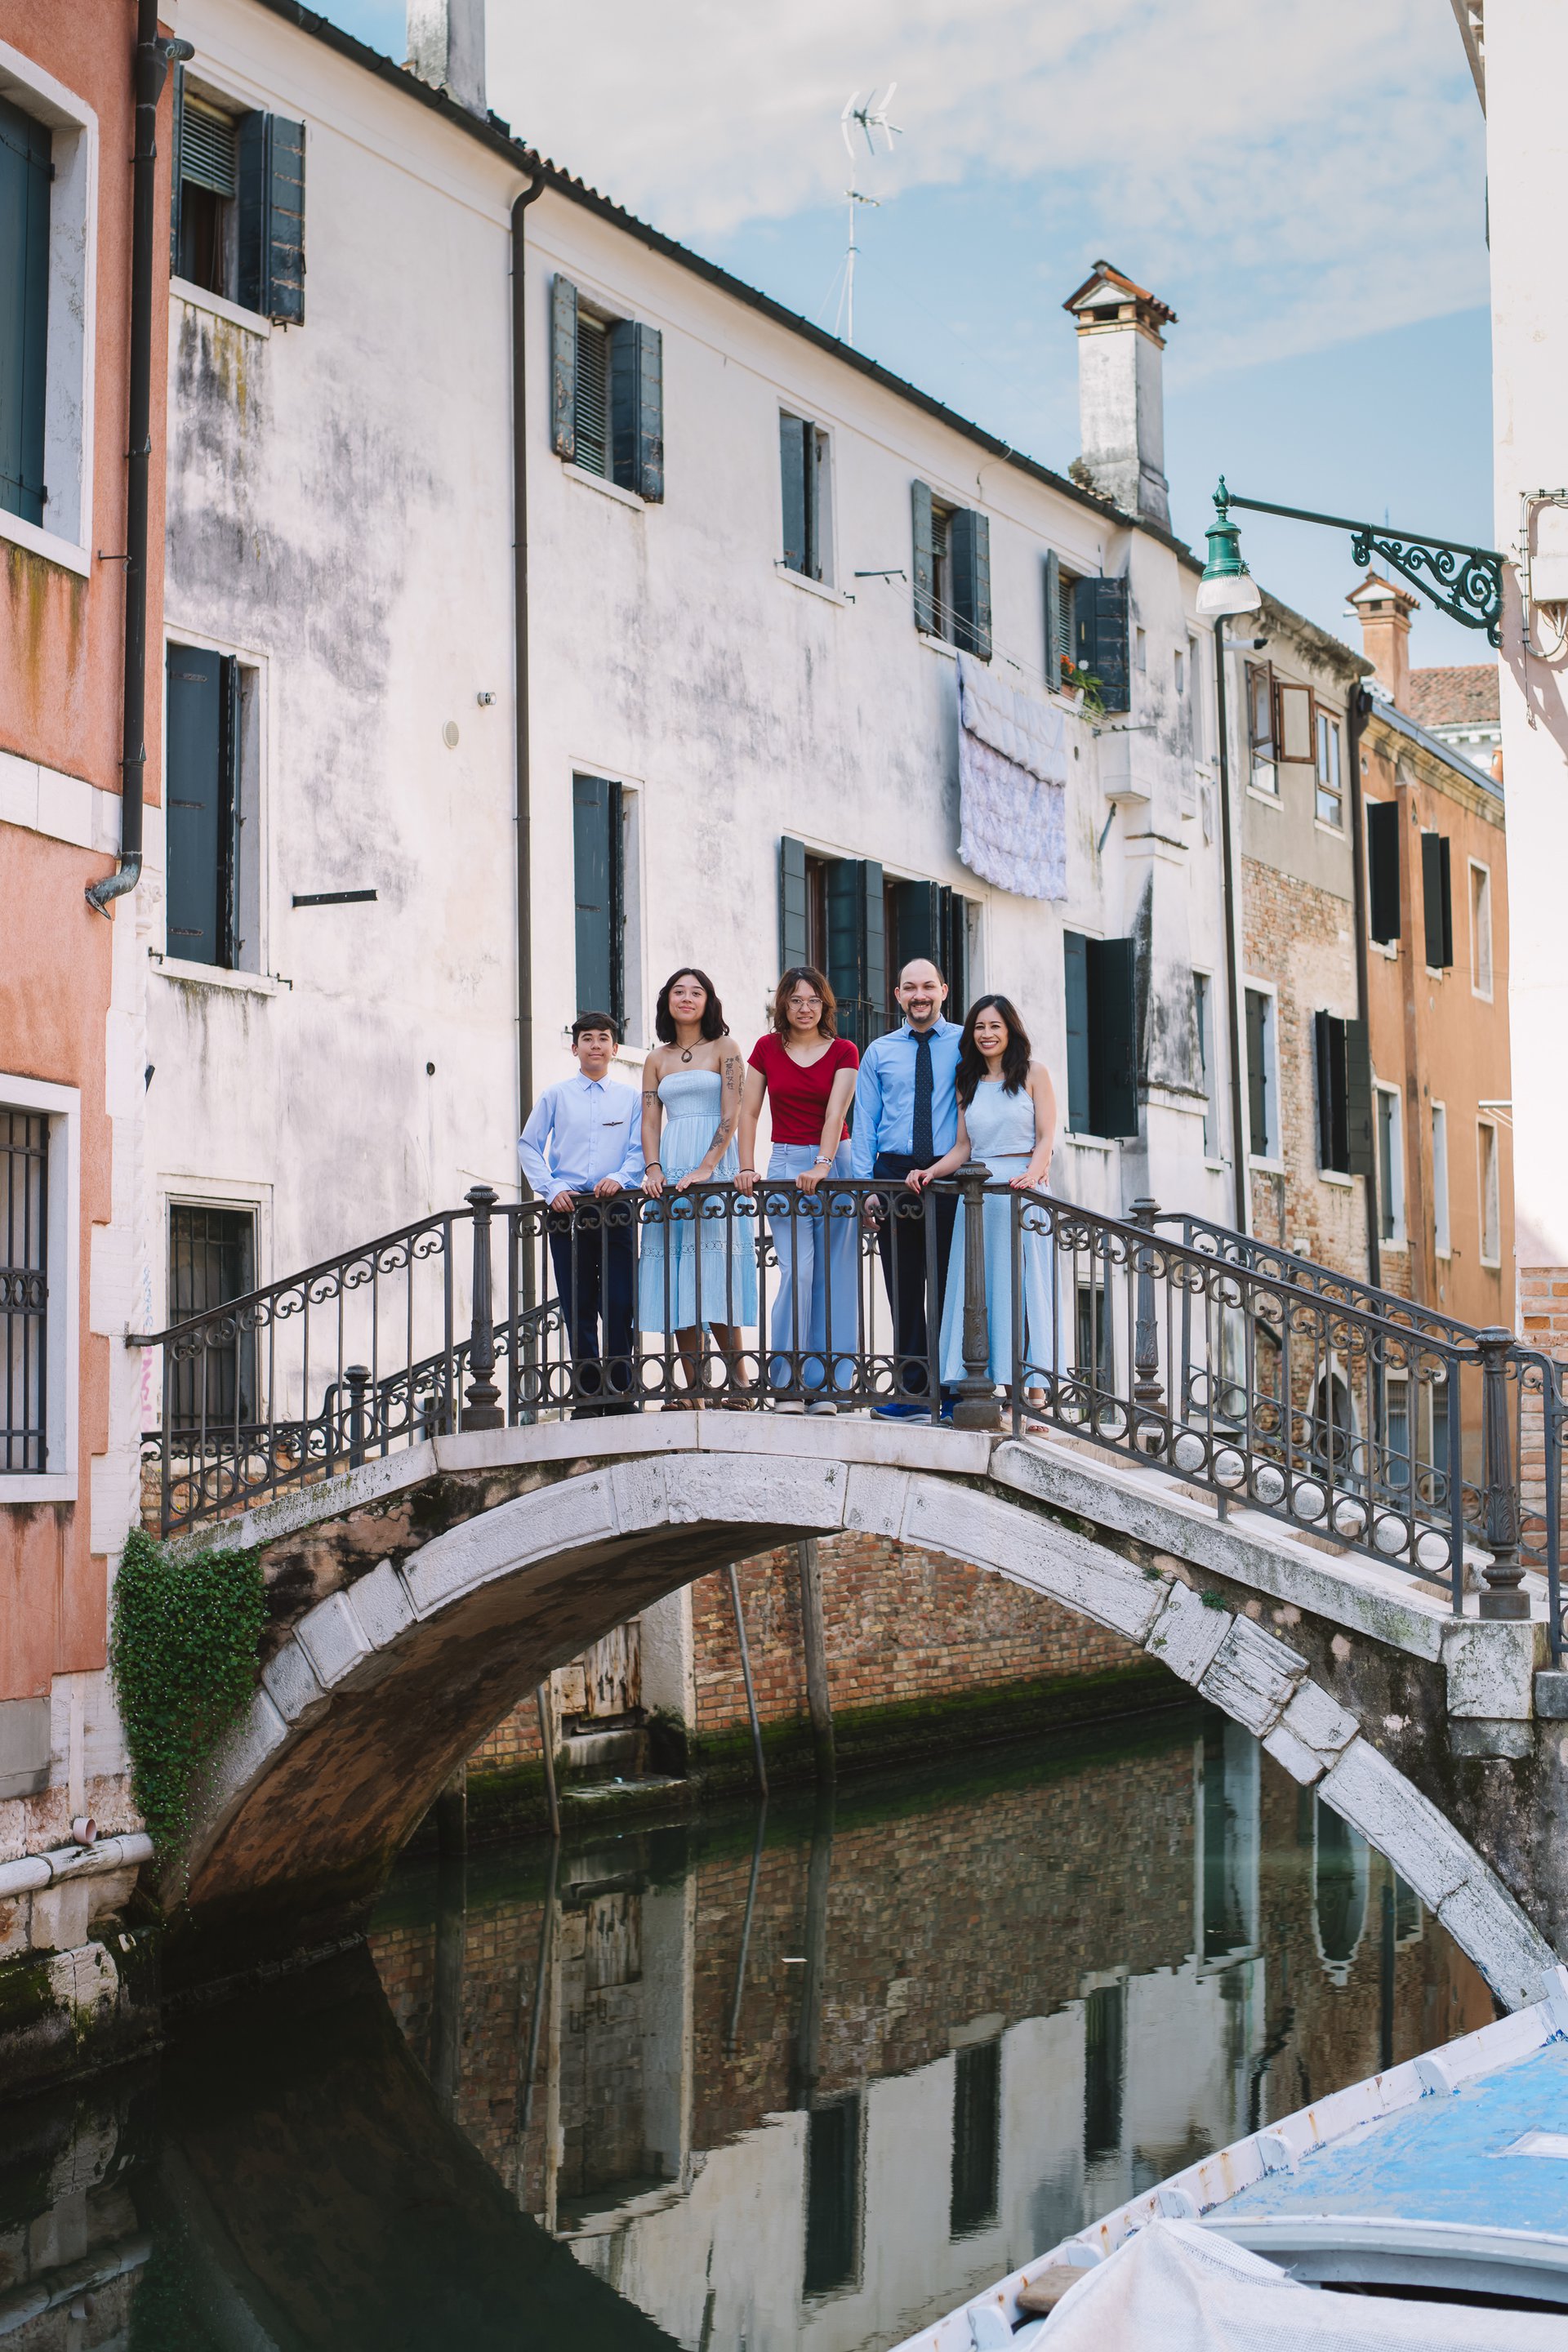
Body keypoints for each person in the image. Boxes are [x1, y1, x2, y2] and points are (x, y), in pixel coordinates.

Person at [919, 996, 1058, 1422]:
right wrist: (930, 1171)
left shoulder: (1034, 1073)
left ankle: (1034, 1396)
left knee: (1025, 1291)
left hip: (1022, 1193)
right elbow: (964, 1147)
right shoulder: (968, 1081)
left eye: (995, 1026)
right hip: (978, 1197)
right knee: (986, 1293)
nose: (987, 1034)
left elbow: (1046, 1137)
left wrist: (1033, 1175)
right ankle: (997, 1391)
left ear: (1010, 1030)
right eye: (979, 1026)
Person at [737, 966, 860, 1412]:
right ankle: (787, 1383)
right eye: (795, 1000)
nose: (804, 1008)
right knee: (798, 1271)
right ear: (783, 1005)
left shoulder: (845, 1050)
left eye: (813, 1000)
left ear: (825, 1005)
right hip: (785, 1161)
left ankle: (827, 1386)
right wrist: (746, 1167)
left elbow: (836, 1113)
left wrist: (823, 1164)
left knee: (835, 1275)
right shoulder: (766, 1048)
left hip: (836, 1162)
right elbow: (749, 1112)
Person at [850, 958, 963, 1417]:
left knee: (953, 1286)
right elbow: (865, 1122)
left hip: (951, 1174)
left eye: (928, 987)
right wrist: (866, 1188)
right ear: (897, 995)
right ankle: (913, 1391)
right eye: (910, 988)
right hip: (893, 1176)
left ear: (943, 991)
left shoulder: (966, 1044)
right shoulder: (879, 1052)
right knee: (903, 1286)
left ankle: (956, 1392)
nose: (920, 995)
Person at [639, 968, 758, 1403]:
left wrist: (709, 1166)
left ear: (708, 1001)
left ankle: (740, 1382)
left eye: (696, 992)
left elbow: (732, 1112)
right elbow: (650, 1120)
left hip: (715, 1168)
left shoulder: (726, 1048)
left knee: (716, 1273)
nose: (686, 998)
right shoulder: (656, 1059)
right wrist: (654, 1168)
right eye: (679, 991)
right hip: (671, 1169)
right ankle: (693, 1387)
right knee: (678, 1274)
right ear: (667, 1000)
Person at [517, 1011, 644, 1416]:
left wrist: (620, 1178)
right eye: (587, 1038)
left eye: (603, 1038)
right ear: (575, 1048)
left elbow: (641, 1149)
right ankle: (588, 1397)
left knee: (620, 1302)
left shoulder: (630, 1098)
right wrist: (551, 1187)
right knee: (578, 1303)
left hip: (616, 1209)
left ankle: (621, 1394)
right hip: (568, 1210)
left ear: (615, 1048)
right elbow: (528, 1145)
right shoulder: (555, 1095)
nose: (595, 1045)